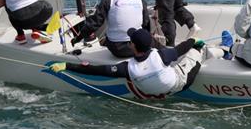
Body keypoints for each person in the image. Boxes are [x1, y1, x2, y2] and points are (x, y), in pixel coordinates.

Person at [50, 28, 204, 99]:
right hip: (180, 84)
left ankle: (221, 50)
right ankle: (221, 50)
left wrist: (66, 66)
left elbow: (97, 70)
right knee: (197, 49)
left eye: (131, 41)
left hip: (155, 93)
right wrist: (193, 40)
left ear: (134, 46)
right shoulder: (161, 55)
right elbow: (181, 49)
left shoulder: (128, 68)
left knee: (190, 52)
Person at [70, 0, 150, 57]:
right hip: (137, 48)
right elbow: (146, 23)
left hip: (118, 50)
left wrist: (78, 38)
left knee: (104, 38)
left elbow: (94, 23)